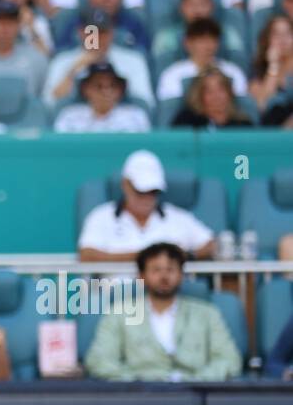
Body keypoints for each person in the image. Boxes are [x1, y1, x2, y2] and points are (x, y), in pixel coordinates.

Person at [84, 242, 241, 381]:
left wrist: (197, 381)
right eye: (156, 270)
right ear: (142, 276)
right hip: (138, 398)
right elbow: (99, 360)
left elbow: (229, 360)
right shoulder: (119, 314)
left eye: (170, 269)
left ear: (181, 275)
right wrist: (134, 382)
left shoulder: (207, 314)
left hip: (195, 396)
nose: (164, 276)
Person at [78, 150, 215, 262]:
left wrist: (184, 256)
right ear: (125, 185)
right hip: (119, 293)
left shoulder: (178, 217)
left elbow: (211, 245)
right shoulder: (101, 216)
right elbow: (86, 254)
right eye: (141, 191)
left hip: (170, 294)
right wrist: (145, 258)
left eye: (153, 191)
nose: (147, 197)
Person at [43, 8, 154, 107]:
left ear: (112, 32)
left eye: (102, 32)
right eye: (92, 32)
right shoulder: (62, 61)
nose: (97, 38)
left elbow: (145, 103)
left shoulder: (133, 60)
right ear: (80, 32)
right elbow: (50, 104)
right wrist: (73, 71)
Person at [156, 17, 248, 101]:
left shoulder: (232, 72)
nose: (208, 46)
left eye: (212, 40)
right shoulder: (173, 74)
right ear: (187, 43)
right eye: (201, 40)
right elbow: (170, 109)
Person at [53, 62, 151, 132]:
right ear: (86, 89)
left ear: (120, 90)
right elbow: (60, 150)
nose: (106, 91)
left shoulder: (135, 117)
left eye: (112, 85)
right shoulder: (69, 117)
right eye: (99, 86)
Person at [170, 65, 254, 128]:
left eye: (221, 89)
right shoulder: (186, 122)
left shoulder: (243, 125)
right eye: (209, 91)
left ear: (229, 92)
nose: (216, 96)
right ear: (200, 96)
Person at [249, 13, 293, 113]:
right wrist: (273, 66)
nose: (283, 38)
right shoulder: (259, 73)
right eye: (276, 34)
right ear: (267, 39)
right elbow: (262, 106)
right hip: (273, 126)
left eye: (288, 33)